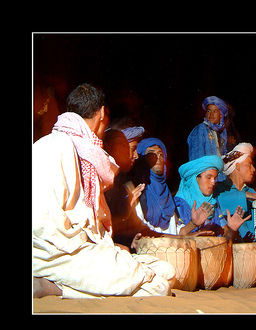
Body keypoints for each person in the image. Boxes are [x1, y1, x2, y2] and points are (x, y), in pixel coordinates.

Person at [33, 83, 175, 298]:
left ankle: (60, 284)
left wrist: (105, 246)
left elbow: (91, 223)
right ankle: (52, 287)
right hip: (54, 254)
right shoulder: (57, 147)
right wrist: (93, 248)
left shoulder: (85, 154)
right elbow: (43, 225)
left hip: (78, 252)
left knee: (165, 271)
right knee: (158, 285)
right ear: (101, 113)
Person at [214, 142, 256, 241]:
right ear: (237, 166)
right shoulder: (220, 188)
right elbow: (221, 201)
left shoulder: (251, 191)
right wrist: (247, 196)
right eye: (249, 165)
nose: (254, 169)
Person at [174, 155, 250, 240]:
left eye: (215, 178)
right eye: (209, 177)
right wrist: (193, 224)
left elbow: (225, 239)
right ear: (195, 178)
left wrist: (232, 229)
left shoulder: (213, 203)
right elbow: (174, 237)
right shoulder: (178, 204)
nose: (213, 182)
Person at [187, 96, 229, 161]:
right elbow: (197, 157)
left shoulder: (222, 132)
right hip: (206, 169)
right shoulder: (201, 129)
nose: (211, 115)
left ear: (221, 115)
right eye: (209, 111)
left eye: (215, 111)